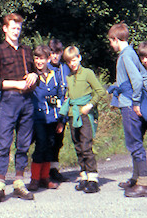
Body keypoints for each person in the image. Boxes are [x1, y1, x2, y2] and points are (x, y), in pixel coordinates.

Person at [0, 13, 37, 202]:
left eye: (18, 28)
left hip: (27, 101)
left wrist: (35, 76)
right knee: (4, 142)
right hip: (9, 100)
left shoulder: (26, 50)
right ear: (5, 29)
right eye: (13, 28)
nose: (16, 31)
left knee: (23, 143)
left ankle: (18, 182)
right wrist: (15, 84)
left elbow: (33, 73)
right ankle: (0, 184)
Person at [107, 22, 147, 198]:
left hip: (128, 105)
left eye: (111, 41)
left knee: (134, 144)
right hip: (129, 101)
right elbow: (145, 78)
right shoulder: (131, 53)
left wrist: (135, 101)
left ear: (116, 39)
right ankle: (137, 179)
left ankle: (144, 185)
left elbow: (136, 80)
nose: (111, 45)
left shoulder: (125, 56)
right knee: (136, 142)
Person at [118, 41, 147, 190]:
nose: (145, 60)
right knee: (136, 141)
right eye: (142, 57)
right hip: (138, 109)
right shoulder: (138, 71)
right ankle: (136, 176)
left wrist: (137, 90)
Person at [58, 46, 106, 194]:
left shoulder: (87, 73)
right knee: (78, 146)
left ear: (79, 57)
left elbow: (100, 91)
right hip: (73, 115)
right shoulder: (69, 77)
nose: (72, 64)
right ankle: (83, 175)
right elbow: (69, 96)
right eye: (69, 62)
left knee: (86, 146)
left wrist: (90, 105)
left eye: (74, 60)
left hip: (85, 115)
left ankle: (93, 178)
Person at [27, 45, 65, 192]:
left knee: (50, 146)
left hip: (53, 118)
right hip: (37, 118)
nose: (39, 61)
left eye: (42, 58)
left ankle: (45, 177)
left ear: (48, 59)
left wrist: (61, 119)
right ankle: (35, 179)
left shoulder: (55, 74)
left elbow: (61, 96)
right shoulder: (31, 75)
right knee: (40, 145)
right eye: (36, 58)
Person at [47, 39, 70, 182]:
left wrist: (63, 118)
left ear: (61, 53)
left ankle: (54, 169)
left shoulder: (64, 68)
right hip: (47, 111)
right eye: (52, 53)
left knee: (58, 141)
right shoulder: (45, 67)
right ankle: (44, 171)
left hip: (61, 110)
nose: (54, 56)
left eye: (57, 53)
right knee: (46, 141)